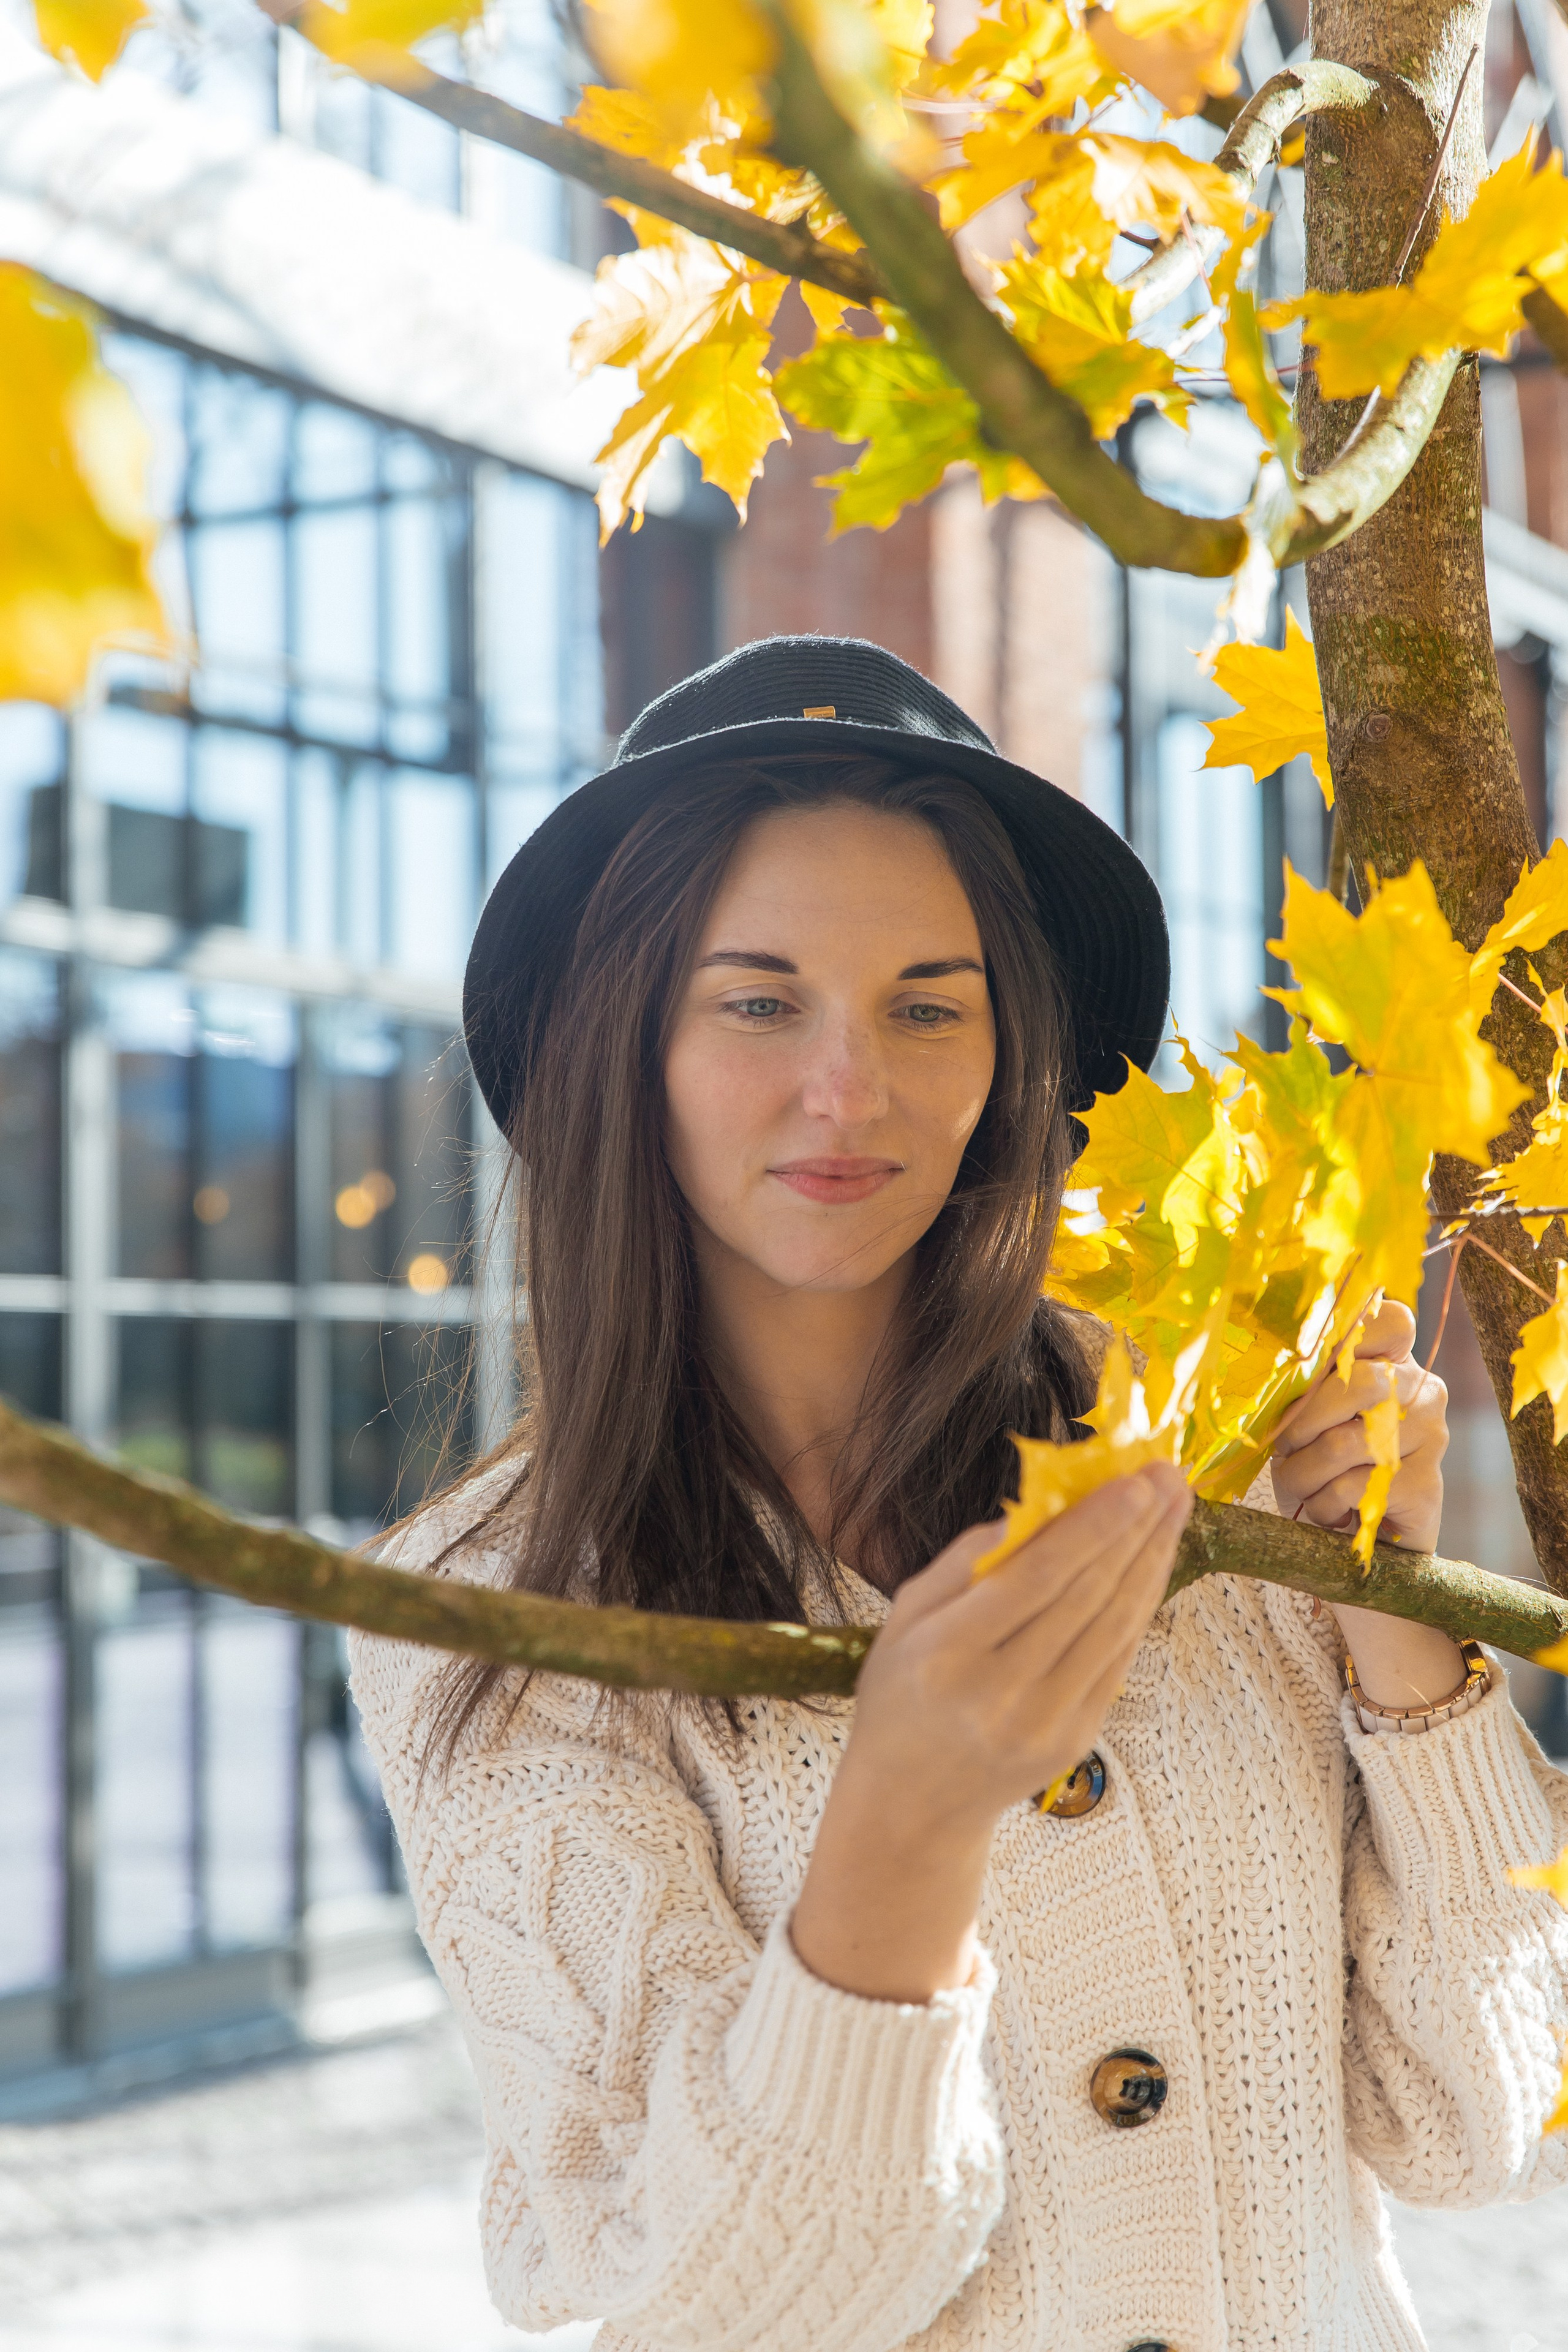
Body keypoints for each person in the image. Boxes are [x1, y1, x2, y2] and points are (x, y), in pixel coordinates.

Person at [352, 636, 1568, 2352]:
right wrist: (903, 1827)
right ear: (615, 1041)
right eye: (759, 1000)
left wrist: (1399, 1639)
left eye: (930, 1005)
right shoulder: (488, 1610)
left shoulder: (1195, 1457)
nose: (849, 1088)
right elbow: (703, 2305)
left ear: (1017, 1057)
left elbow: (1487, 2120)